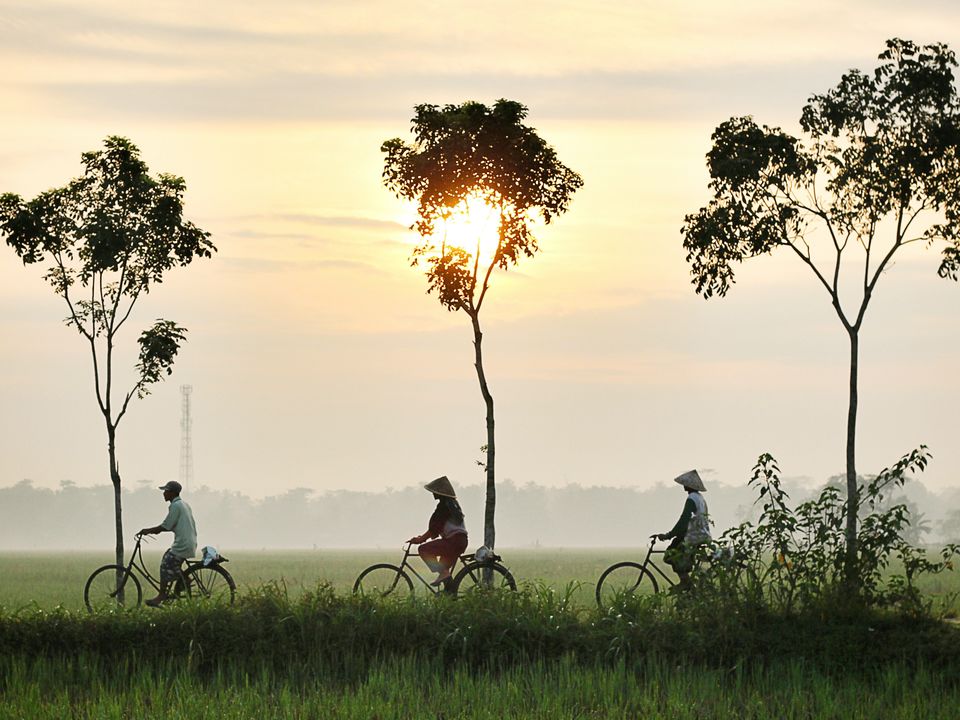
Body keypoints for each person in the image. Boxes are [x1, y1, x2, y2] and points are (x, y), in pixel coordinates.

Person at [138, 480, 197, 607]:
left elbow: (166, 526)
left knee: (165, 564)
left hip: (183, 544)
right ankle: (183, 579)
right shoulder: (183, 504)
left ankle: (162, 594)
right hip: (188, 542)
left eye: (166, 491)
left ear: (172, 493)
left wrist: (147, 531)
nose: (164, 494)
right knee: (168, 558)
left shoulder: (176, 506)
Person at [408, 476, 468, 587]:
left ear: (440, 493)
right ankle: (450, 596)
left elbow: (435, 527)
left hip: (453, 542)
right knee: (444, 570)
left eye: (435, 492)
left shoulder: (445, 506)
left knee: (424, 549)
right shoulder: (452, 505)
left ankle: (444, 574)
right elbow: (436, 528)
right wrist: (423, 537)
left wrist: (421, 539)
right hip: (459, 541)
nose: (433, 494)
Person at [656, 469, 711, 587]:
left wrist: (668, 535)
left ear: (689, 485)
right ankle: (687, 583)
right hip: (702, 534)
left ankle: (685, 582)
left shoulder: (691, 498)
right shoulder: (700, 498)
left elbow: (684, 520)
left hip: (694, 536)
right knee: (678, 548)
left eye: (685, 484)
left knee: (671, 554)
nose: (683, 486)